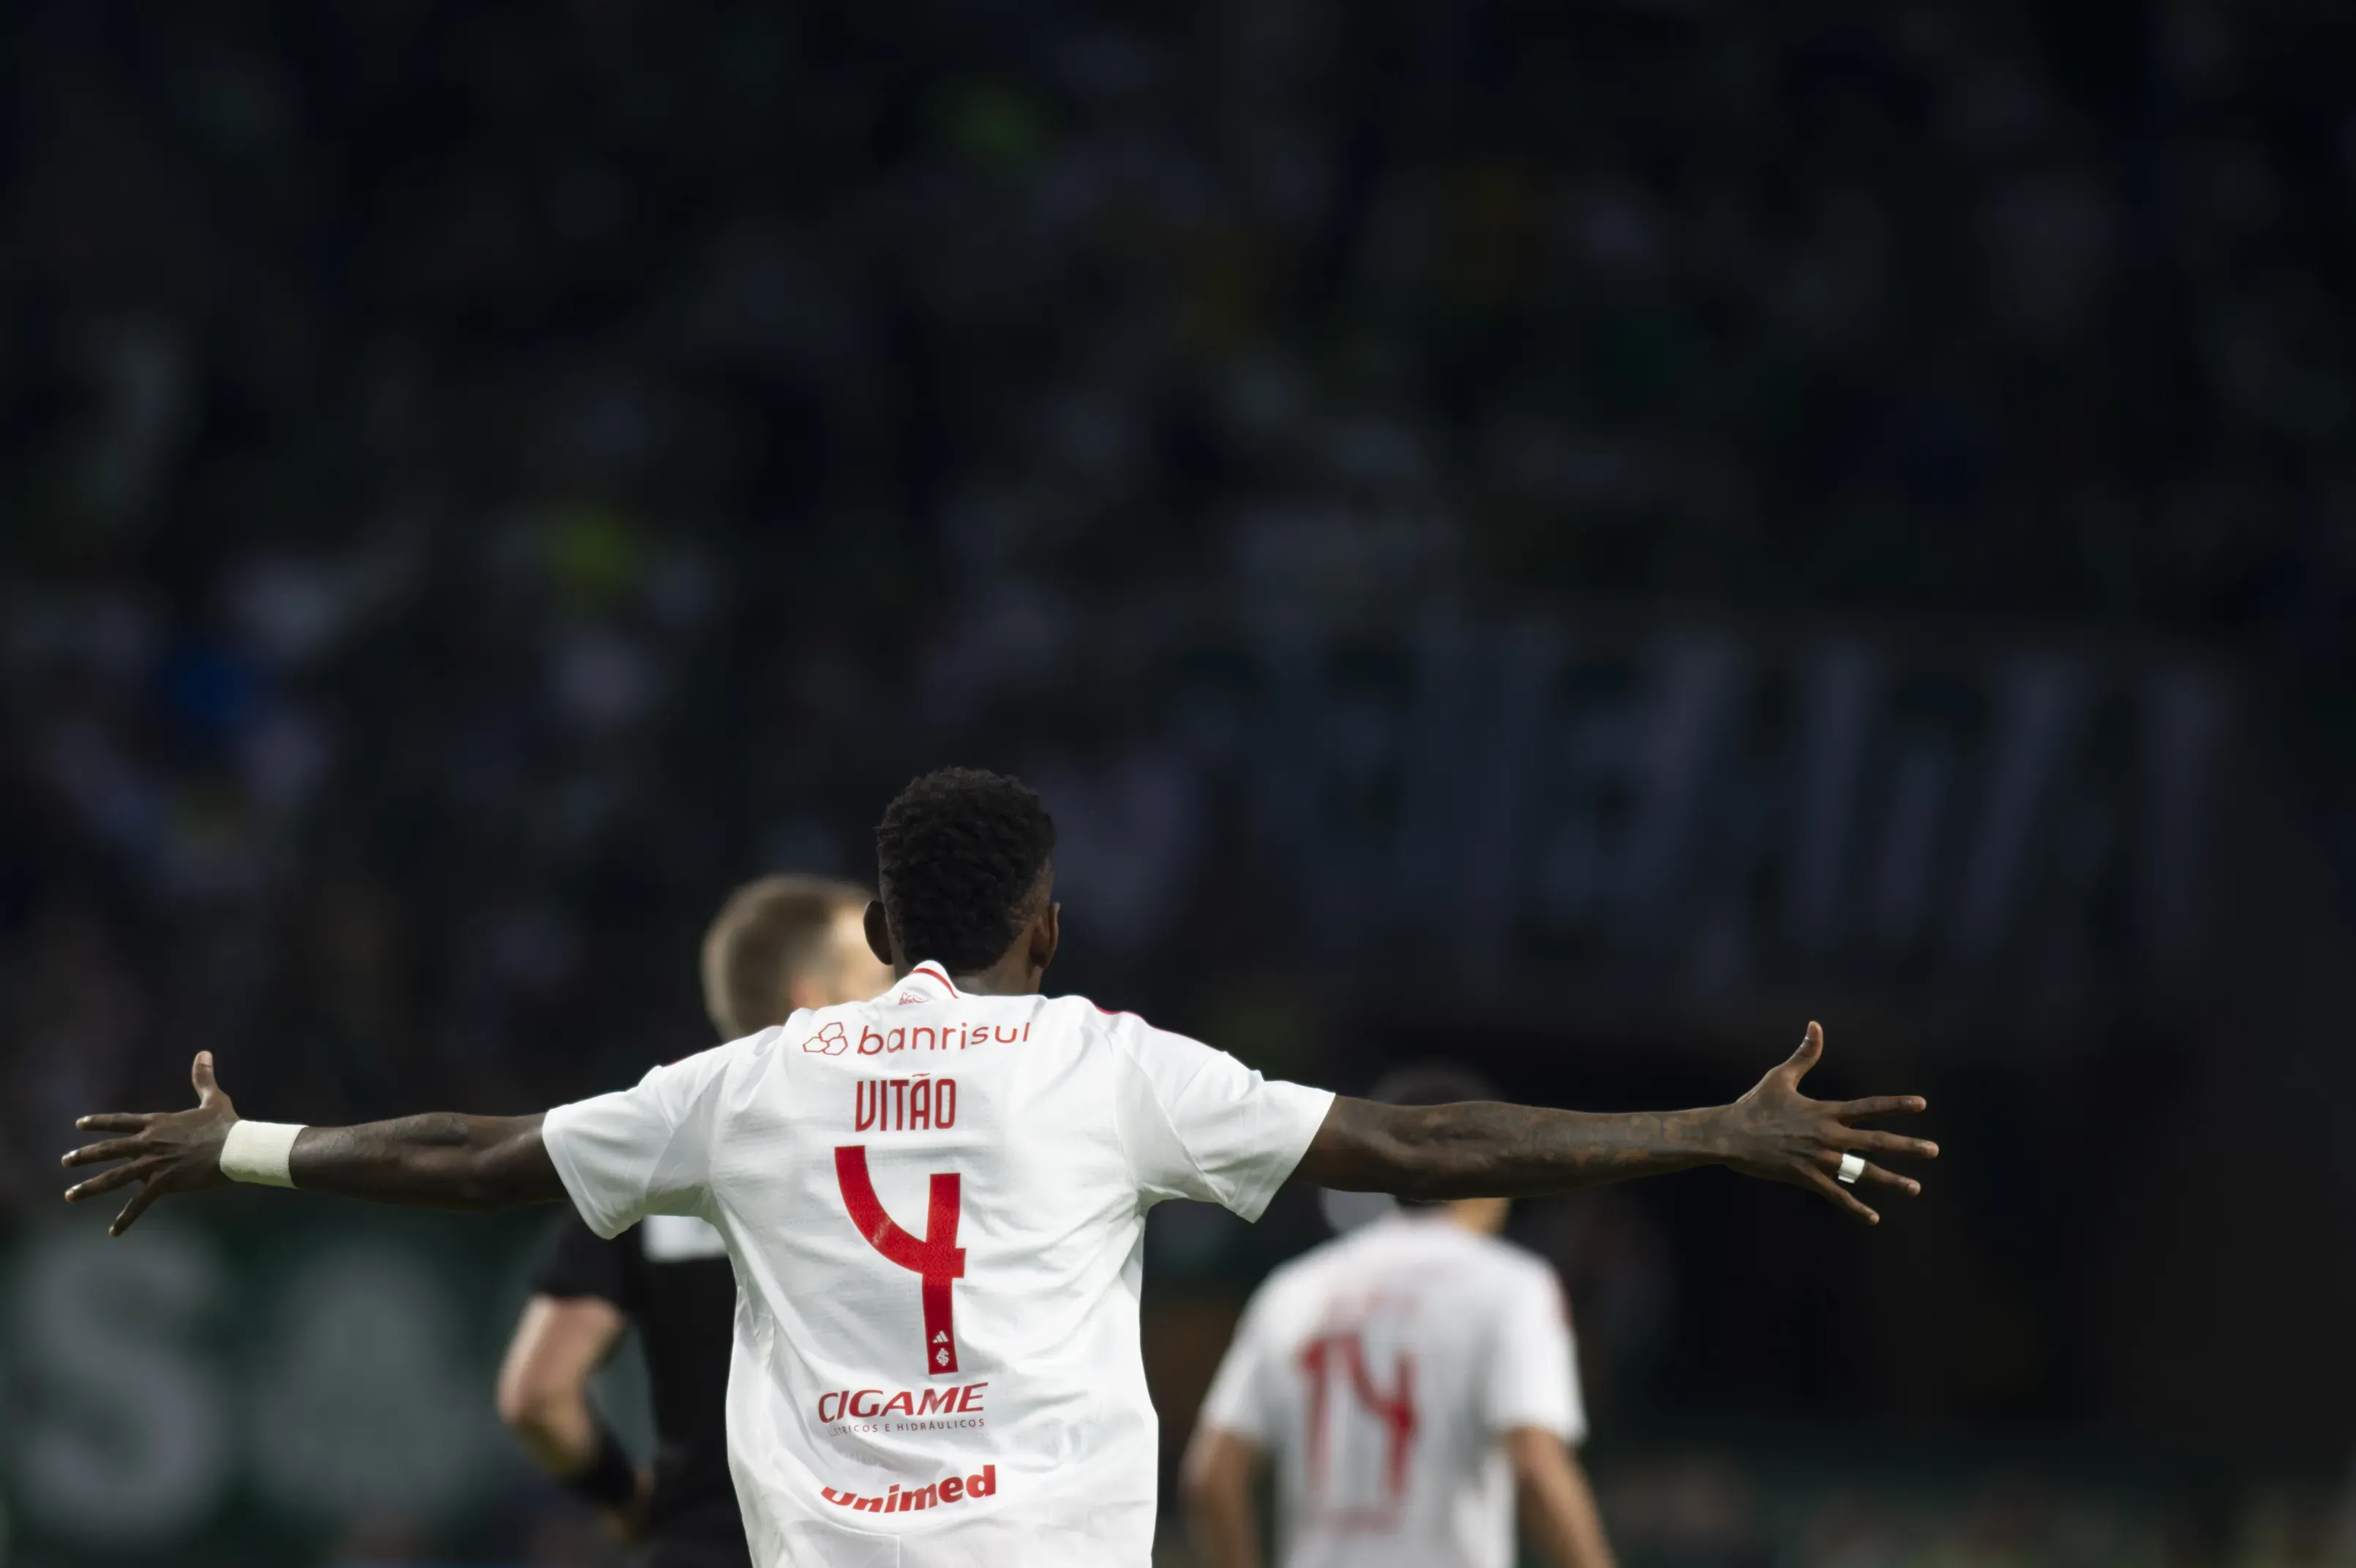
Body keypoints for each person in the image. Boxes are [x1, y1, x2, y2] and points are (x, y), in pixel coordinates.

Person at [61, 767, 1937, 1568]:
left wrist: (248, 1143)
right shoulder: (1109, 1069)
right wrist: (1710, 1129)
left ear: (877, 923)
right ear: (1054, 914)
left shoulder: (756, 1081)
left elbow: (480, 1159)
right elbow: (1420, 1138)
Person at [496, 874, 892, 1568]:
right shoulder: (914, 1158)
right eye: (874, 979)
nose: (898, 1004)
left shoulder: (654, 1164)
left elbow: (538, 1394)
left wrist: (625, 1499)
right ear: (812, 1002)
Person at [1184, 1063, 1616, 1568]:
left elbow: (1211, 1477)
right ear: (1500, 1166)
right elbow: (1538, 1468)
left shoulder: (1295, 1288)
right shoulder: (1511, 1286)